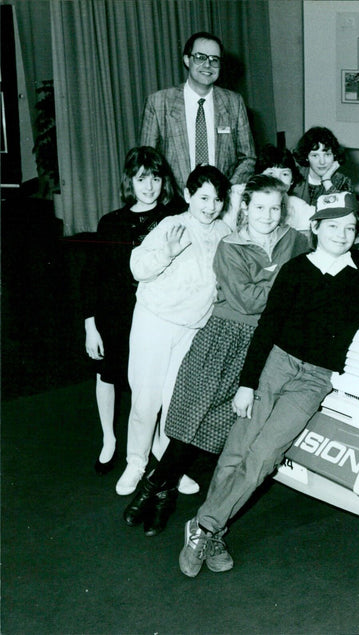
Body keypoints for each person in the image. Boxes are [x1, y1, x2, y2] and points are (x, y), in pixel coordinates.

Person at [177, 191, 359, 577]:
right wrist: (246, 383)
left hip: (315, 379)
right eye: (333, 226)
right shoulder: (296, 270)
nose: (342, 234)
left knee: (264, 457)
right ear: (316, 227)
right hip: (276, 363)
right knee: (238, 448)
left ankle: (203, 526)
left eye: (349, 227)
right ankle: (216, 531)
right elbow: (267, 328)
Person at [121, 174, 308, 536]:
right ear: (246, 209)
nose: (267, 216)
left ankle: (157, 490)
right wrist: (284, 282)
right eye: (259, 208)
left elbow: (309, 272)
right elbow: (246, 299)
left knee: (218, 425)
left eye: (274, 208)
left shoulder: (294, 241)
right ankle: (156, 487)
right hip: (218, 334)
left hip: (260, 342)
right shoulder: (231, 243)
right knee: (189, 412)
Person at [116, 165, 231, 497]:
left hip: (193, 327)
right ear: (188, 195)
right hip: (156, 320)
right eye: (204, 197)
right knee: (147, 398)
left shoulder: (225, 231)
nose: (210, 206)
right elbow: (138, 267)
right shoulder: (172, 224)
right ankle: (136, 462)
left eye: (218, 199)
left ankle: (168, 467)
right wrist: (166, 252)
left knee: (176, 402)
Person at [81, 146, 177, 475]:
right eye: (141, 179)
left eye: (154, 178)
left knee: (153, 383)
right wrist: (90, 326)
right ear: (130, 182)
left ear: (163, 181)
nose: (148, 186)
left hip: (157, 316)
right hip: (116, 316)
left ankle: (153, 443)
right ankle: (109, 439)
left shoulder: (174, 218)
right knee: (106, 375)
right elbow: (92, 277)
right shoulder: (110, 222)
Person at [140, 31, 255, 191]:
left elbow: (248, 158)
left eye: (214, 60)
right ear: (187, 59)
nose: (208, 65)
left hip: (221, 201)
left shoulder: (234, 103)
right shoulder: (159, 102)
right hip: (174, 205)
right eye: (200, 57)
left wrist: (224, 190)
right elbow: (147, 161)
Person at [292, 126, 359, 242]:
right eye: (315, 155)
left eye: (327, 154)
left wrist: (327, 181)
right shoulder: (294, 176)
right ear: (306, 157)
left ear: (334, 155)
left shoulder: (342, 181)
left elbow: (348, 216)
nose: (322, 161)